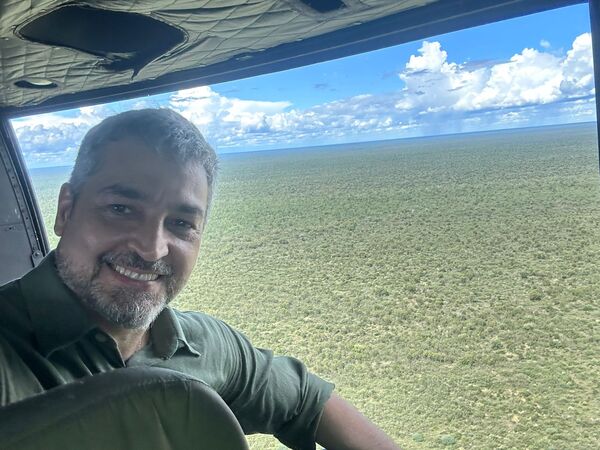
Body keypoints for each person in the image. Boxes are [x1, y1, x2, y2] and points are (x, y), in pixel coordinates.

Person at [0, 108, 400, 450]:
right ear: (67, 211)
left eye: (180, 223)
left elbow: (306, 400)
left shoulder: (202, 345)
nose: (152, 248)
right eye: (121, 208)